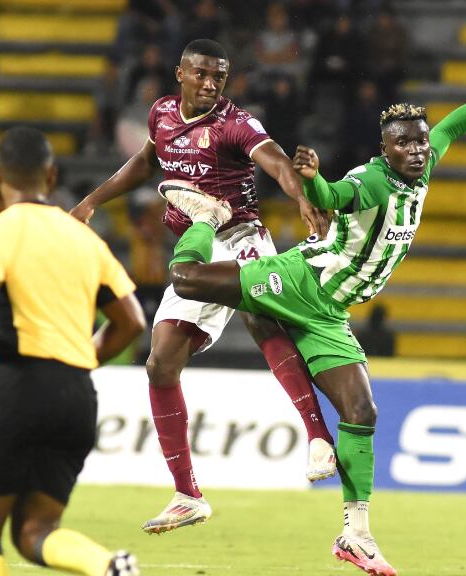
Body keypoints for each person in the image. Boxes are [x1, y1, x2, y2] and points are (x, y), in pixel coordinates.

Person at [158, 48, 466, 576]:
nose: (417, 150)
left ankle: (356, 535)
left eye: (420, 141)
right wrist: (312, 180)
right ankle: (206, 216)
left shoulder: (426, 162)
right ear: (385, 149)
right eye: (404, 143)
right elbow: (334, 196)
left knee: (362, 413)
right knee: (186, 278)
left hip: (331, 310)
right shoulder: (374, 181)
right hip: (301, 281)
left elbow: (455, 124)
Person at [70, 38, 336, 535]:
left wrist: (301, 197)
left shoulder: (236, 123)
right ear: (181, 74)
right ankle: (187, 495)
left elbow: (277, 161)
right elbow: (145, 163)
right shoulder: (161, 114)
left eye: (219, 76)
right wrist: (92, 201)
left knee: (261, 318)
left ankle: (318, 436)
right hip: (196, 247)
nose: (211, 83)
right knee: (160, 362)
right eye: (202, 74)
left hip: (241, 237)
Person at [0, 127, 146, 576]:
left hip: (17, 385)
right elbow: (132, 323)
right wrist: (80, 360)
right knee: (36, 532)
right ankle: (109, 566)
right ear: (51, 176)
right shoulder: (85, 239)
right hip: (76, 395)